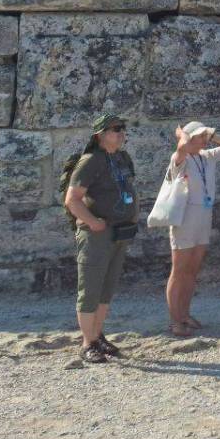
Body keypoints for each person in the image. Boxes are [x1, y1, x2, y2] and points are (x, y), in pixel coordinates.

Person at [62, 114, 137, 364]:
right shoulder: (91, 161)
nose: (121, 132)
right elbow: (72, 199)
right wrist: (93, 222)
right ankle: (88, 343)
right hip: (96, 234)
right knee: (90, 289)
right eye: (115, 129)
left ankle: (97, 335)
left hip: (119, 231)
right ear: (100, 135)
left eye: (122, 128)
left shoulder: (121, 158)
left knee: (106, 288)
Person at [163, 120, 220, 337]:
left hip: (203, 216)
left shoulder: (207, 156)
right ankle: (175, 320)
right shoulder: (180, 158)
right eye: (199, 137)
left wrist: (212, 134)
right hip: (185, 217)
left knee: (192, 270)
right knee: (179, 270)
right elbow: (181, 149)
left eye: (204, 136)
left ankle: (185, 314)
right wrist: (183, 136)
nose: (203, 140)